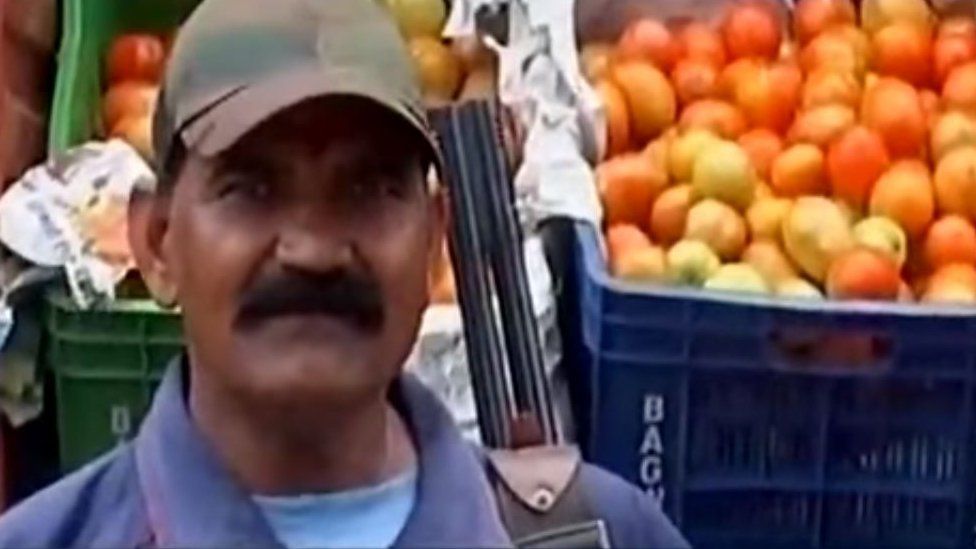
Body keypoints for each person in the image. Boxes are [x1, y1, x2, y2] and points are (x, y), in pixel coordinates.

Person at [0, 0, 688, 547]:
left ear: (432, 242)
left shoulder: (603, 535)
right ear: (156, 241)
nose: (313, 249)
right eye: (251, 188)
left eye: (367, 188)